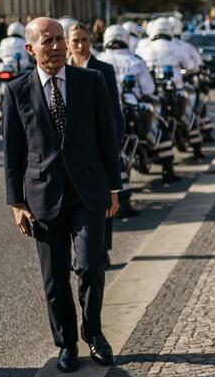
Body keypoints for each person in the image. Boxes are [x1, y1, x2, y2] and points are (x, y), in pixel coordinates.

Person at [2, 18, 121, 373]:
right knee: (54, 277)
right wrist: (16, 202)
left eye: (59, 40)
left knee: (89, 266)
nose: (55, 47)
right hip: (42, 196)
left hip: (88, 191)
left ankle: (94, 333)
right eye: (47, 41)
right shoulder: (17, 90)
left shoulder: (90, 81)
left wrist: (114, 188)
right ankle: (66, 343)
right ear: (30, 49)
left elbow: (108, 137)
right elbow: (13, 151)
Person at [64, 18, 135, 225]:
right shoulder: (60, 71)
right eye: (75, 40)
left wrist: (115, 143)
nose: (80, 45)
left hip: (97, 145)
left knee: (104, 201)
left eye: (84, 40)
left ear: (91, 41)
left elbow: (114, 110)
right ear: (67, 43)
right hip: (70, 146)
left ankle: (102, 252)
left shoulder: (104, 69)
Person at [99, 24, 179, 184]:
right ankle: (167, 169)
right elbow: (149, 88)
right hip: (132, 106)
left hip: (103, 107)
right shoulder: (134, 61)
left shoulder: (99, 59)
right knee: (161, 124)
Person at [139, 18, 205, 161]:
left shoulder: (145, 48)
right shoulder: (177, 47)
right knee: (189, 117)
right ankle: (197, 148)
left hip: (153, 93)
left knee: (157, 121)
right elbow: (191, 66)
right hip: (175, 91)